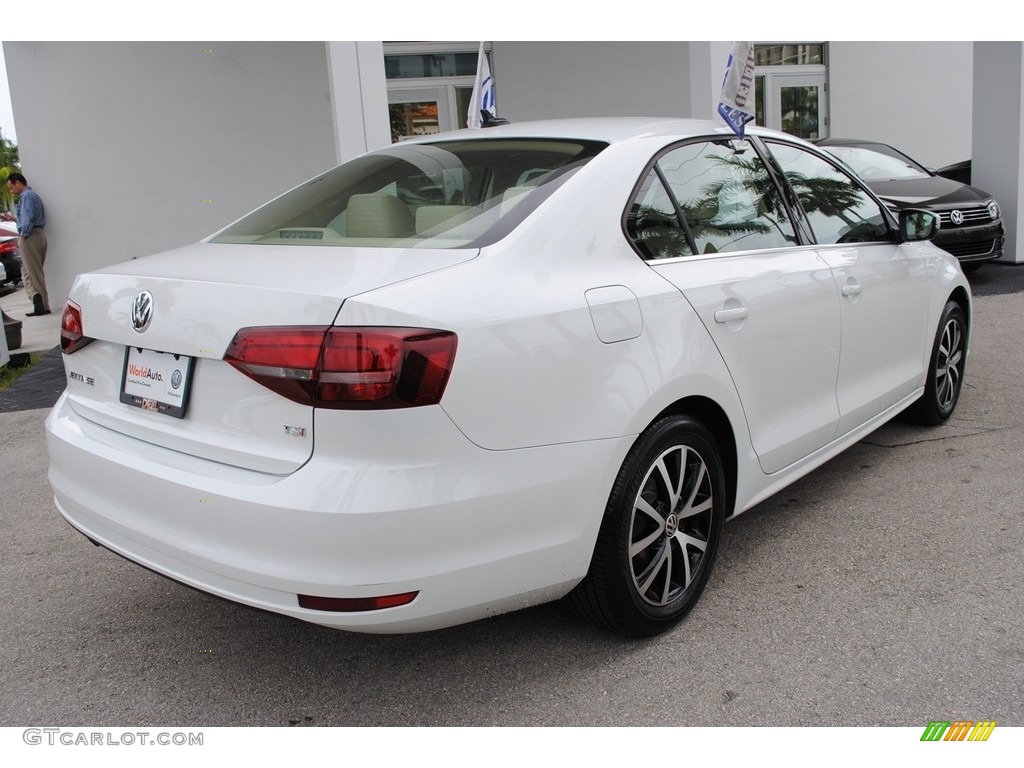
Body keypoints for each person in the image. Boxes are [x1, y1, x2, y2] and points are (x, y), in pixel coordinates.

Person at [6, 172, 50, 316]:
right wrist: (13, 219)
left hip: (30, 236)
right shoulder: (31, 196)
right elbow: (27, 216)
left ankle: (42, 304)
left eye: (12, 187)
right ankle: (36, 298)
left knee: (33, 273)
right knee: (28, 271)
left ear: (18, 183)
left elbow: (29, 217)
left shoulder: (27, 196)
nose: (12, 191)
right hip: (37, 234)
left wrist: (24, 234)